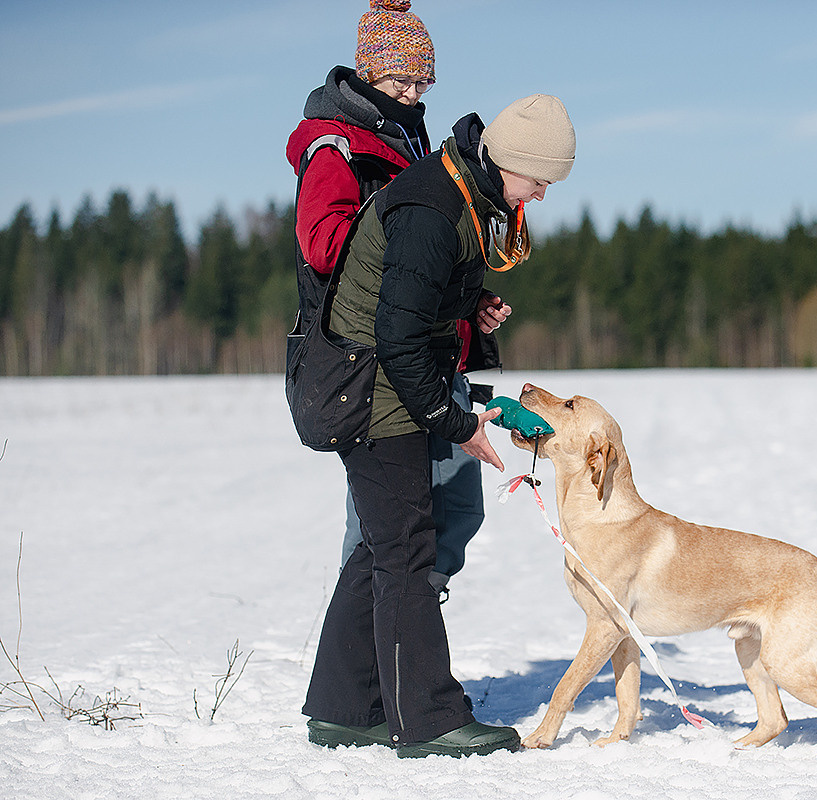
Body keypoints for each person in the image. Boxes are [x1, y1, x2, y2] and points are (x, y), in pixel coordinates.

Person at [301, 94, 576, 758]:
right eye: (539, 180)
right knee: (406, 549)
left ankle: (343, 709)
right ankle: (427, 720)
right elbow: (396, 336)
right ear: (512, 162)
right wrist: (459, 426)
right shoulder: (434, 205)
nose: (539, 195)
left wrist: (470, 304)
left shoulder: (462, 190)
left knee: (380, 545)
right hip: (372, 388)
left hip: (386, 377)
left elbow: (414, 294)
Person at [285, 0, 496, 603]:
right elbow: (323, 246)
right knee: (381, 531)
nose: (409, 92)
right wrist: (395, 227)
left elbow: (425, 251)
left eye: (419, 80)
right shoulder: (335, 147)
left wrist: (466, 297)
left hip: (429, 351)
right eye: (397, 79)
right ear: (366, 74)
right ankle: (376, 661)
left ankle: (411, 629)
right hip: (367, 359)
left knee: (456, 508)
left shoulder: (407, 134)